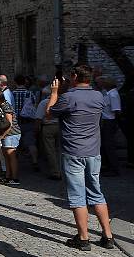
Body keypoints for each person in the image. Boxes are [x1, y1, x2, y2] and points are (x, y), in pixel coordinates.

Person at [46, 66, 115, 251]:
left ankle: (83, 238)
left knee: (77, 196)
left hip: (73, 152)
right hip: (93, 151)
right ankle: (108, 236)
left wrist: (54, 92)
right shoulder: (98, 96)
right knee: (96, 192)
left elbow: (49, 112)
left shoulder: (68, 97)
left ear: (75, 76)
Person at [0, 75, 21, 185]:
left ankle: (14, 177)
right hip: (7, 133)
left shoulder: (6, 106)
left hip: (11, 133)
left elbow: (10, 124)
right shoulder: (3, 104)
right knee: (6, 155)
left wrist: (3, 135)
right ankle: (8, 175)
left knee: (11, 155)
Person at [35, 85, 62, 180]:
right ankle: (61, 170)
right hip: (60, 126)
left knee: (50, 150)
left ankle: (55, 172)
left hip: (48, 126)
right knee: (59, 149)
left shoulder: (43, 103)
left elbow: (38, 118)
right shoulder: (61, 101)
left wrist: (37, 129)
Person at [13, 74, 39, 171]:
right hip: (28, 121)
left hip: (15, 121)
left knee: (15, 143)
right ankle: (35, 161)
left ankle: (14, 161)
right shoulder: (30, 93)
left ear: (15, 82)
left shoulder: (12, 93)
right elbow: (34, 106)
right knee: (31, 142)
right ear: (25, 82)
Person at [99, 77, 121, 176]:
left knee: (109, 145)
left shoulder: (113, 94)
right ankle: (107, 165)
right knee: (105, 145)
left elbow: (116, 109)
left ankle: (114, 168)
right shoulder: (108, 94)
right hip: (106, 120)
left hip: (110, 121)